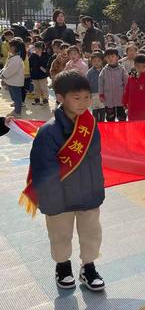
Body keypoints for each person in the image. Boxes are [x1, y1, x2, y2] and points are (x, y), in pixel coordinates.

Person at [29, 70, 105, 291]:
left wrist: (97, 187)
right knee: (60, 236)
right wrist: (51, 202)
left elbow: (95, 159)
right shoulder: (48, 132)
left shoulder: (90, 126)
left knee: (91, 234)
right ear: (61, 98)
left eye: (86, 97)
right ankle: (63, 266)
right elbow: (44, 171)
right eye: (76, 98)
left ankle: (88, 267)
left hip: (88, 193)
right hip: (59, 199)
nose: (83, 103)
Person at [123, 54, 145, 121]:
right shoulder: (131, 78)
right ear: (134, 65)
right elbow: (127, 91)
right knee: (133, 129)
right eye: (138, 66)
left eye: (143, 66)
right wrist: (124, 102)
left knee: (144, 130)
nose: (140, 68)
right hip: (132, 110)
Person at [99, 49, 128, 123]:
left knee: (121, 116)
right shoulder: (104, 71)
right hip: (108, 98)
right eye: (108, 57)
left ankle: (122, 131)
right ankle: (111, 131)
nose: (110, 59)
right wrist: (101, 94)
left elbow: (126, 82)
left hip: (120, 97)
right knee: (110, 116)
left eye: (112, 56)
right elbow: (101, 83)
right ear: (105, 58)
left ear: (117, 57)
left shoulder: (122, 69)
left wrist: (126, 94)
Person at [0, 38, 26, 117]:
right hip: (13, 81)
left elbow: (10, 70)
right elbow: (7, 67)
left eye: (11, 46)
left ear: (15, 48)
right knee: (14, 97)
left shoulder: (16, 59)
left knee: (17, 98)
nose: (9, 47)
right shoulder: (14, 57)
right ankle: (16, 109)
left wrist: (2, 75)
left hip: (15, 82)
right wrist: (2, 72)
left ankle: (17, 112)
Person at [87, 52, 106, 122]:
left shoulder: (105, 71)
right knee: (95, 111)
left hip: (103, 94)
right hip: (93, 94)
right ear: (91, 62)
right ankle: (96, 126)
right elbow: (87, 84)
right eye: (94, 61)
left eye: (99, 61)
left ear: (102, 61)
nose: (96, 63)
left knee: (103, 110)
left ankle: (102, 124)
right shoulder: (89, 72)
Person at [29, 41, 49, 106]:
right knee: (36, 88)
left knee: (44, 88)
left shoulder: (45, 54)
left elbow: (46, 63)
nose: (38, 50)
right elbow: (31, 64)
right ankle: (37, 100)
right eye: (37, 48)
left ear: (43, 49)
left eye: (40, 48)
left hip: (43, 75)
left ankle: (45, 100)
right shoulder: (32, 55)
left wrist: (40, 56)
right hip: (34, 74)